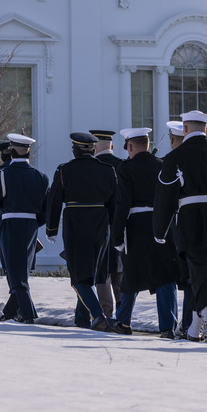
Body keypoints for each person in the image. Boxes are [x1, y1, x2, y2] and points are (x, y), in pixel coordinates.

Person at [154, 110, 207, 342]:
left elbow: (165, 196)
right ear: (206, 129)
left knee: (199, 272)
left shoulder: (176, 156)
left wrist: (160, 230)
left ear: (185, 129)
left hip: (191, 219)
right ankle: (193, 328)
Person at [46, 132, 118, 331]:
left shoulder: (64, 170)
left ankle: (97, 314)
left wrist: (51, 228)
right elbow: (115, 204)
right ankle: (81, 319)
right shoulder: (107, 170)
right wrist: (116, 231)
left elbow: (54, 200)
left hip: (76, 225)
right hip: (102, 227)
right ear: (93, 150)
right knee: (91, 275)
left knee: (78, 278)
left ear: (75, 150)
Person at [112, 127, 179, 337]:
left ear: (130, 146)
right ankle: (168, 326)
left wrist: (117, 235)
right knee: (165, 274)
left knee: (131, 274)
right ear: (148, 144)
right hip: (162, 223)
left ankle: (123, 322)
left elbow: (122, 204)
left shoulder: (125, 168)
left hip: (136, 225)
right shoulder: (162, 165)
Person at [0, 133, 49, 324]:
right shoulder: (41, 177)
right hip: (31, 226)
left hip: (9, 224)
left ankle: (29, 316)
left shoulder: (2, 174)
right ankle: (10, 312)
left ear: (11, 152)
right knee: (20, 271)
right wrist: (31, 223)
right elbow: (44, 211)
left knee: (16, 275)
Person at [91, 129, 124, 320]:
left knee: (101, 273)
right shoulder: (122, 165)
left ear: (94, 147)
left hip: (97, 226)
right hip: (119, 224)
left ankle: (106, 313)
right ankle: (122, 312)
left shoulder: (92, 166)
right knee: (118, 270)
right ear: (111, 146)